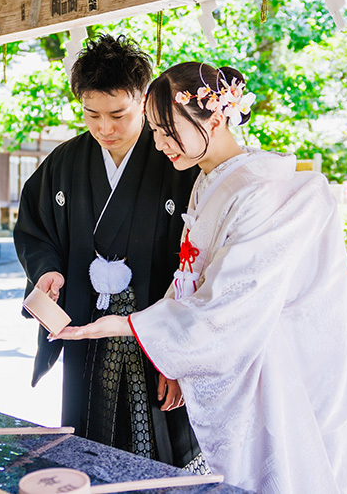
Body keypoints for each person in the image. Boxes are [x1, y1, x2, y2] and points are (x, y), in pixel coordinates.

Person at [56, 62, 347, 493]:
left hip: (269, 358)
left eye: (169, 132)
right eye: (154, 130)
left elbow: (231, 302)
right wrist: (169, 354)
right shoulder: (209, 179)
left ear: (217, 117)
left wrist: (127, 325)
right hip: (238, 349)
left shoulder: (262, 189)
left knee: (283, 472)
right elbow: (190, 271)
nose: (159, 143)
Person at [13, 35, 204, 470]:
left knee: (159, 448)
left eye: (118, 114)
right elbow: (34, 230)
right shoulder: (65, 162)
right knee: (85, 447)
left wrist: (177, 359)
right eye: (91, 114)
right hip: (86, 332)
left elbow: (198, 267)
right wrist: (47, 272)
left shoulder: (175, 164)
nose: (105, 128)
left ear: (144, 99)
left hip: (152, 337)